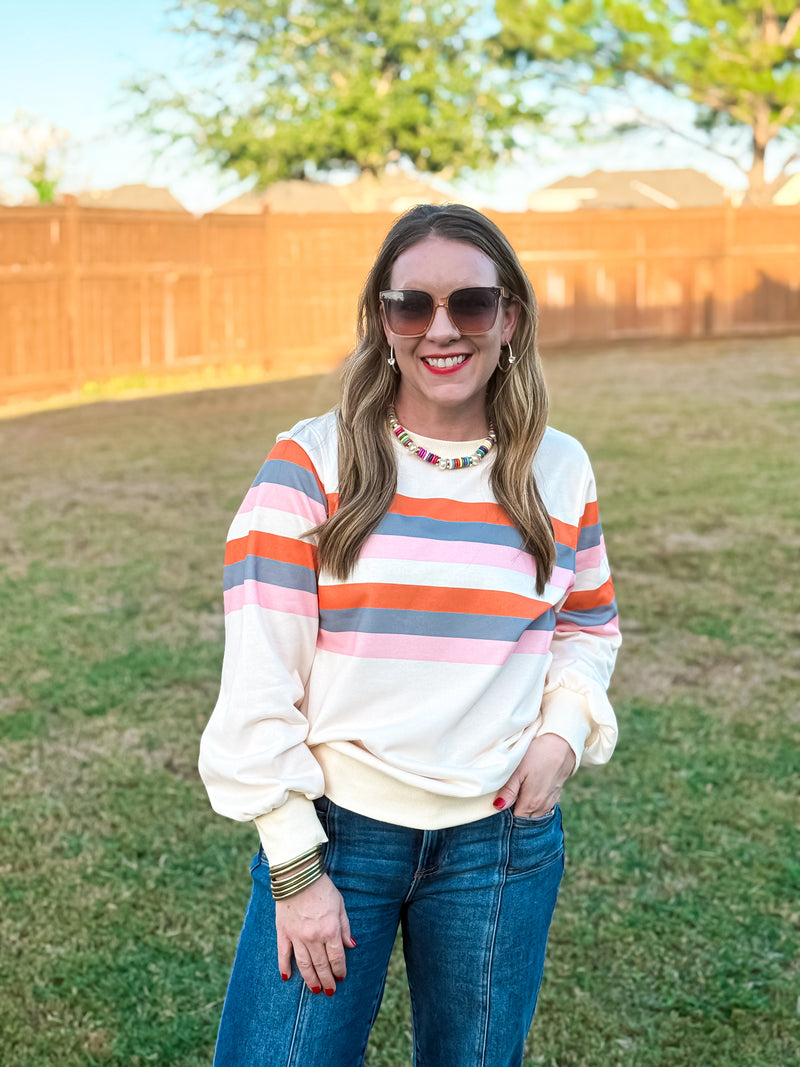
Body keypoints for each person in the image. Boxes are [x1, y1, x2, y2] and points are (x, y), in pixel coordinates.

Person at [199, 204, 621, 1067]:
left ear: (510, 317)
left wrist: (563, 734)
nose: (442, 330)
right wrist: (295, 866)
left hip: (501, 844)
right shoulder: (311, 467)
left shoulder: (559, 467)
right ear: (382, 321)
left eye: (470, 304)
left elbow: (587, 621)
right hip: (337, 838)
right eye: (411, 305)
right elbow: (256, 684)